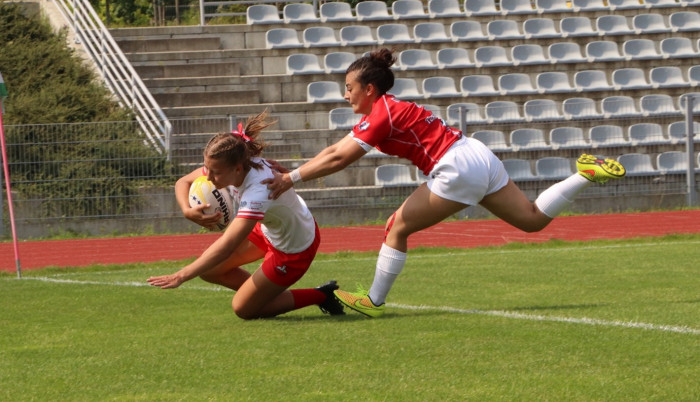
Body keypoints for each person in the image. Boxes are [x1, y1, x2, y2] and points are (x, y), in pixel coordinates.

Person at [264, 48, 626, 318]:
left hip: (454, 166)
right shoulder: (388, 109)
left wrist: (289, 178)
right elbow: (335, 149)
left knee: (395, 227)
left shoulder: (381, 115)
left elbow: (339, 157)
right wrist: (292, 176)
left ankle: (373, 302)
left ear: (369, 89)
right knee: (531, 219)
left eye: (349, 88)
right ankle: (584, 173)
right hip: (475, 153)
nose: (345, 95)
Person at [147, 110, 345, 319]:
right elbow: (182, 182)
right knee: (208, 269)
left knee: (244, 309)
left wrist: (181, 275)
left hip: (294, 248)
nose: (210, 177)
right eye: (207, 169)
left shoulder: (259, 189)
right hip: (269, 230)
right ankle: (261, 293)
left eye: (215, 172)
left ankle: (321, 295)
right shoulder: (232, 168)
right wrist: (187, 211)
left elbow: (227, 245)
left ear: (238, 169)